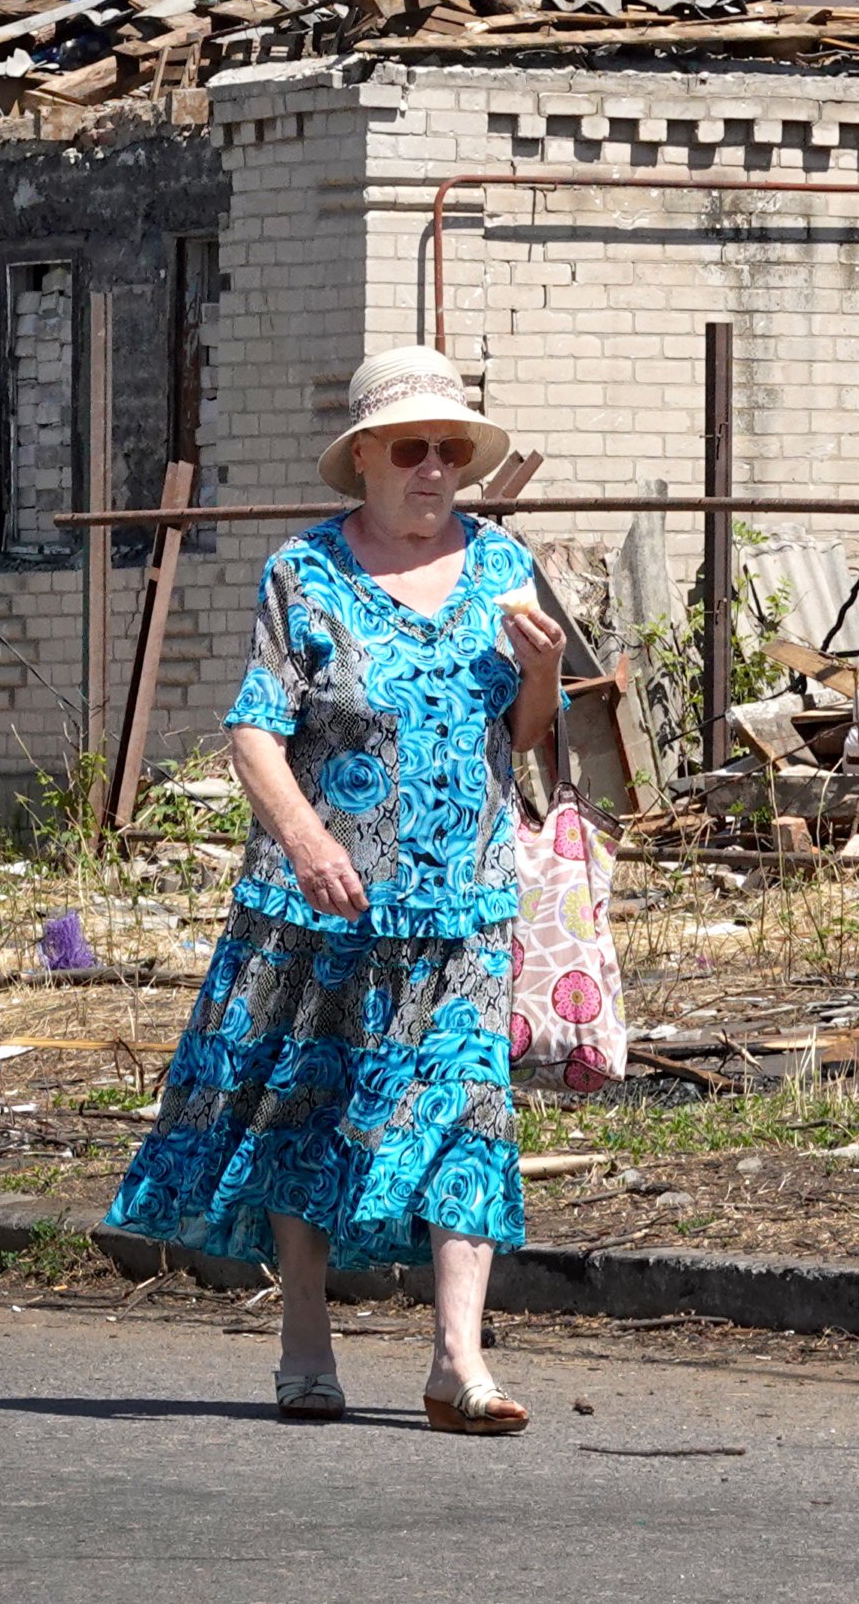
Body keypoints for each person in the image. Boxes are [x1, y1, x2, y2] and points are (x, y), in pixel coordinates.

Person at [104, 343, 562, 1433]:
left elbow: (523, 735)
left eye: (453, 450)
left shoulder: (504, 567)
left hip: (465, 906)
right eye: (413, 449)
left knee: (467, 1115)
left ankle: (459, 1361)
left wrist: (543, 670)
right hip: (327, 904)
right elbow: (254, 730)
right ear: (364, 457)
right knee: (309, 1114)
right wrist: (309, 843)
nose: (436, 469)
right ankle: (305, 1339)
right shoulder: (303, 576)